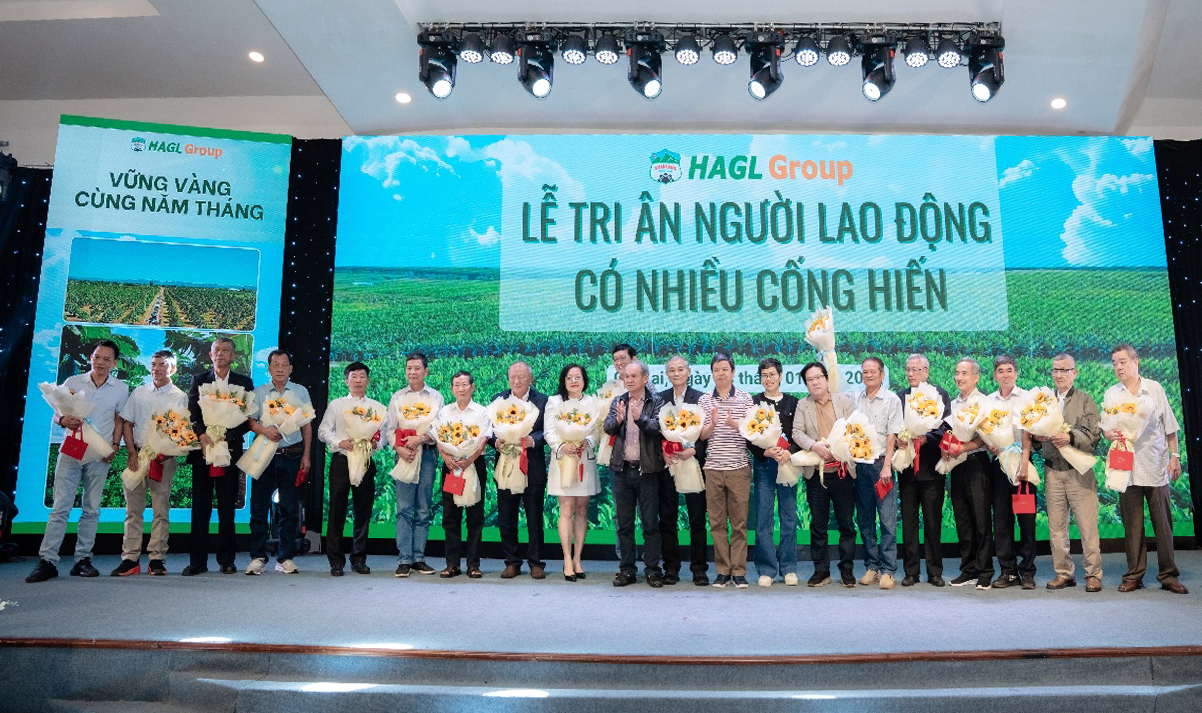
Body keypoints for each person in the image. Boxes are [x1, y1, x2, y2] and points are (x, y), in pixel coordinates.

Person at [27, 340, 128, 583]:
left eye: (106, 359)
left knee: (91, 509)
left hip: (100, 454)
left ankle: (82, 560)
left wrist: (115, 446)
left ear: (115, 363)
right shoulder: (73, 382)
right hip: (71, 451)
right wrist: (63, 421)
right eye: (97, 357)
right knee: (60, 507)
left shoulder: (121, 388)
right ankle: (48, 561)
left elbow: (119, 420)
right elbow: (57, 414)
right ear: (91, 358)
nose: (100, 362)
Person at [1104, 344, 1187, 595]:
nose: (1118, 367)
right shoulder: (1112, 394)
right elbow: (1106, 428)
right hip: (1125, 468)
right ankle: (1134, 575)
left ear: (1135, 362)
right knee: (1132, 525)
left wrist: (1174, 456)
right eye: (1115, 363)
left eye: (1122, 362)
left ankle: (1168, 575)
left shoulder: (1154, 389)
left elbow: (1170, 426)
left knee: (1163, 524)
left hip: (1154, 464)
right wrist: (1109, 434)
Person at [1025, 353, 1102, 592]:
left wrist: (1069, 437)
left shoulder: (1085, 400)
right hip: (1052, 471)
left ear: (1074, 373)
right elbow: (1034, 435)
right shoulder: (1043, 401)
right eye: (1055, 370)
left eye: (1064, 370)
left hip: (1078, 471)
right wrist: (1037, 439)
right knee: (1057, 528)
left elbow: (1093, 436)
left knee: (1087, 527)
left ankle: (1093, 574)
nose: (1059, 375)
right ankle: (1064, 573)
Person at [111, 349, 186, 577]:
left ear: (172, 368)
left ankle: (157, 559)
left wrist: (168, 451)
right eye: (154, 364)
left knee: (160, 510)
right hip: (138, 456)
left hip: (164, 460)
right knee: (133, 511)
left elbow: (181, 431)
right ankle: (130, 559)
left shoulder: (179, 396)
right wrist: (131, 452)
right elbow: (127, 422)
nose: (157, 368)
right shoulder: (139, 392)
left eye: (162, 364)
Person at [183, 337, 253, 577]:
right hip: (203, 451)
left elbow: (247, 418)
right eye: (216, 350)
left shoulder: (244, 383)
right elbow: (192, 412)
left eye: (225, 350)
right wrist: (202, 435)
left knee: (227, 508)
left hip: (229, 451)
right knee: (200, 508)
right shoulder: (199, 380)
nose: (220, 354)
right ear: (210, 355)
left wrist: (228, 435)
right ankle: (197, 562)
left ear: (233, 356)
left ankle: (227, 560)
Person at [245, 349, 313, 575]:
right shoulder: (259, 392)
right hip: (263, 455)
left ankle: (285, 557)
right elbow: (251, 422)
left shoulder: (300, 391)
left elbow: (306, 425)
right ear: (269, 368)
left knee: (289, 508)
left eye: (285, 364)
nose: (280, 369)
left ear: (291, 368)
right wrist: (265, 430)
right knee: (258, 508)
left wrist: (306, 455)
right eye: (276, 364)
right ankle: (258, 557)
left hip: (291, 455)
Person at [792, 361, 857, 588]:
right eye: (810, 380)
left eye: (818, 377)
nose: (815, 382)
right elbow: (797, 432)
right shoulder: (803, 405)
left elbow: (854, 430)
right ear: (806, 384)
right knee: (818, 525)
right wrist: (813, 445)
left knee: (846, 524)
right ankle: (821, 571)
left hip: (842, 472)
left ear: (827, 379)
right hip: (816, 474)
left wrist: (841, 447)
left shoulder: (844, 401)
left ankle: (847, 569)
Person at [317, 361, 386, 577]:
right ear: (346, 381)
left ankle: (359, 558)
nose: (358, 380)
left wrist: (376, 444)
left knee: (362, 511)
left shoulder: (377, 408)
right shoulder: (337, 405)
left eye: (362, 376)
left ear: (368, 380)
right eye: (353, 376)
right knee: (337, 511)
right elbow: (323, 431)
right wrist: (339, 442)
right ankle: (336, 561)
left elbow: (383, 435)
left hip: (365, 461)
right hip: (342, 461)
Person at [604, 360, 666, 588]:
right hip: (622, 470)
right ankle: (627, 569)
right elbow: (608, 427)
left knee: (650, 523)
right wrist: (618, 419)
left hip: (647, 471)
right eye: (626, 376)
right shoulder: (619, 401)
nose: (628, 380)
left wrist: (640, 418)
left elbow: (658, 428)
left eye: (633, 376)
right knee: (624, 524)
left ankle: (653, 569)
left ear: (645, 378)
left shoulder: (656, 402)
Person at [895, 353, 952, 587]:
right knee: (908, 523)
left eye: (916, 369)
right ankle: (911, 571)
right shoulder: (900, 397)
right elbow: (894, 427)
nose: (911, 374)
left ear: (926, 372)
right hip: (907, 469)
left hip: (931, 468)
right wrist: (900, 438)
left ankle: (934, 571)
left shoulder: (939, 395)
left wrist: (927, 437)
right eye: (908, 369)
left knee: (932, 522)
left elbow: (947, 426)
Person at [386, 352, 444, 578]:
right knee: (404, 508)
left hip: (427, 455)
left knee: (422, 508)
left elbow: (439, 428)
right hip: (404, 456)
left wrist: (421, 438)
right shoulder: (397, 397)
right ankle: (404, 559)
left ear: (426, 371)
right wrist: (399, 448)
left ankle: (418, 557)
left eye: (417, 368)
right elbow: (390, 429)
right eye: (409, 368)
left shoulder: (436, 397)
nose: (412, 372)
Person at [698, 354, 754, 589]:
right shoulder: (704, 400)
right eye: (716, 370)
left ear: (733, 372)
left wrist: (734, 424)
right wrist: (712, 423)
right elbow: (701, 436)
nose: (720, 374)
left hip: (738, 468)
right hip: (713, 468)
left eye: (724, 369)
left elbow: (753, 431)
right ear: (712, 373)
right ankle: (722, 571)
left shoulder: (745, 398)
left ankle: (739, 572)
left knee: (739, 523)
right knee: (717, 523)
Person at [489, 361, 549, 579]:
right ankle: (512, 562)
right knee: (507, 517)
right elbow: (489, 430)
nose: (517, 381)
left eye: (522, 377)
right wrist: (496, 441)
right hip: (506, 465)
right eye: (513, 377)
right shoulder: (498, 400)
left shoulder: (543, 401)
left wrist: (533, 440)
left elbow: (548, 430)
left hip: (532, 466)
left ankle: (536, 563)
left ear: (530, 379)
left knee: (534, 518)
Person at [657, 355, 710, 586]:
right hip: (669, 465)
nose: (676, 373)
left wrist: (694, 450)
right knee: (667, 518)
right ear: (666, 374)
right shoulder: (659, 399)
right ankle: (671, 567)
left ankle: (699, 568)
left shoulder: (701, 398)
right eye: (671, 370)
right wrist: (663, 452)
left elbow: (707, 434)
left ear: (689, 372)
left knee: (697, 519)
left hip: (693, 464)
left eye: (680, 369)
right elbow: (654, 431)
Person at [544, 363, 600, 581]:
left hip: (585, 459)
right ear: (563, 381)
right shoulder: (554, 402)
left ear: (584, 380)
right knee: (566, 509)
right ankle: (567, 559)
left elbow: (597, 431)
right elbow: (549, 431)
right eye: (569, 377)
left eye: (578, 377)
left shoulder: (592, 402)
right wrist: (562, 446)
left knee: (582, 510)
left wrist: (588, 441)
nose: (574, 381)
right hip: (563, 460)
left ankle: (578, 559)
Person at [943, 358, 995, 590]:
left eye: (964, 373)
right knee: (962, 519)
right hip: (957, 466)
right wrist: (946, 448)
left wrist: (964, 447)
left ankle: (985, 570)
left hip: (977, 464)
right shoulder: (953, 404)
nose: (959, 377)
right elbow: (949, 433)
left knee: (981, 520)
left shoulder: (984, 402)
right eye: (957, 373)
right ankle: (968, 569)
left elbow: (986, 436)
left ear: (976, 377)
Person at [434, 370, 491, 579]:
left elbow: (484, 439)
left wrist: (470, 458)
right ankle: (452, 564)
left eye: (465, 384)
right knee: (451, 515)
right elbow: (438, 437)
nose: (461, 389)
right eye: (456, 385)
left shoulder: (482, 412)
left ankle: (473, 565)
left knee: (475, 516)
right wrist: (445, 457)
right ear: (452, 389)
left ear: (472, 387)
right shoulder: (444, 412)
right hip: (452, 467)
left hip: (474, 466)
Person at [986, 355, 1036, 589]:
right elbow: (985, 431)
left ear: (1016, 373)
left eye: (1009, 370)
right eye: (1000, 371)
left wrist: (1024, 462)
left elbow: (1029, 432)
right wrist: (991, 444)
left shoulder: (1026, 398)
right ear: (995, 375)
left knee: (1026, 519)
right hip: (999, 465)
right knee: (1002, 519)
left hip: (1022, 464)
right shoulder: (989, 401)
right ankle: (1007, 571)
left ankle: (1027, 571)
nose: (1005, 375)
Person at [852, 357, 902, 590]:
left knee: (887, 520)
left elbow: (893, 434)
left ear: (882, 375)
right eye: (865, 372)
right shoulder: (856, 398)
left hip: (881, 465)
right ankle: (871, 566)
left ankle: (888, 570)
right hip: (860, 465)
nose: (869, 375)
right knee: (865, 519)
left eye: (873, 371)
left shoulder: (891, 399)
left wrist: (887, 465)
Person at [750, 358, 800, 588]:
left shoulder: (793, 403)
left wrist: (789, 452)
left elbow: (799, 434)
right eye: (764, 375)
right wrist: (765, 452)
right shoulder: (754, 403)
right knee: (764, 518)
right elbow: (748, 437)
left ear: (780, 376)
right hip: (764, 466)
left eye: (772, 374)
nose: (768, 379)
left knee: (789, 517)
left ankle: (789, 568)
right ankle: (767, 569)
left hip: (787, 465)